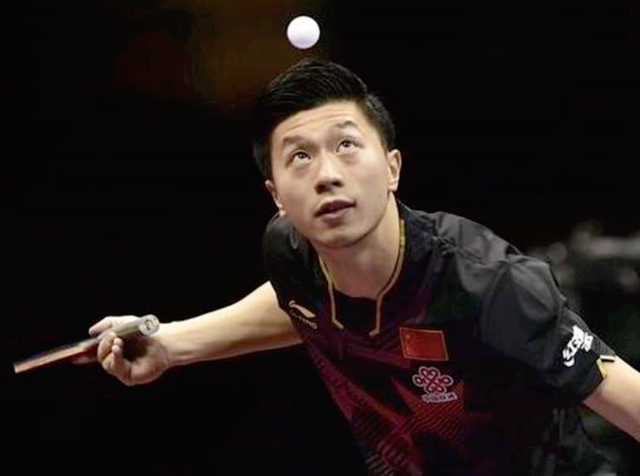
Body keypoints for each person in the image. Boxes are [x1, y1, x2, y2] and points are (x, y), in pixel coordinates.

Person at [87, 59, 640, 475]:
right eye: (300, 156)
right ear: (277, 197)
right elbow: (300, 302)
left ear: (393, 168)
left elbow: (618, 391)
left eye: (347, 145)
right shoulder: (291, 254)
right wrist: (171, 343)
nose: (327, 174)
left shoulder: (487, 285)